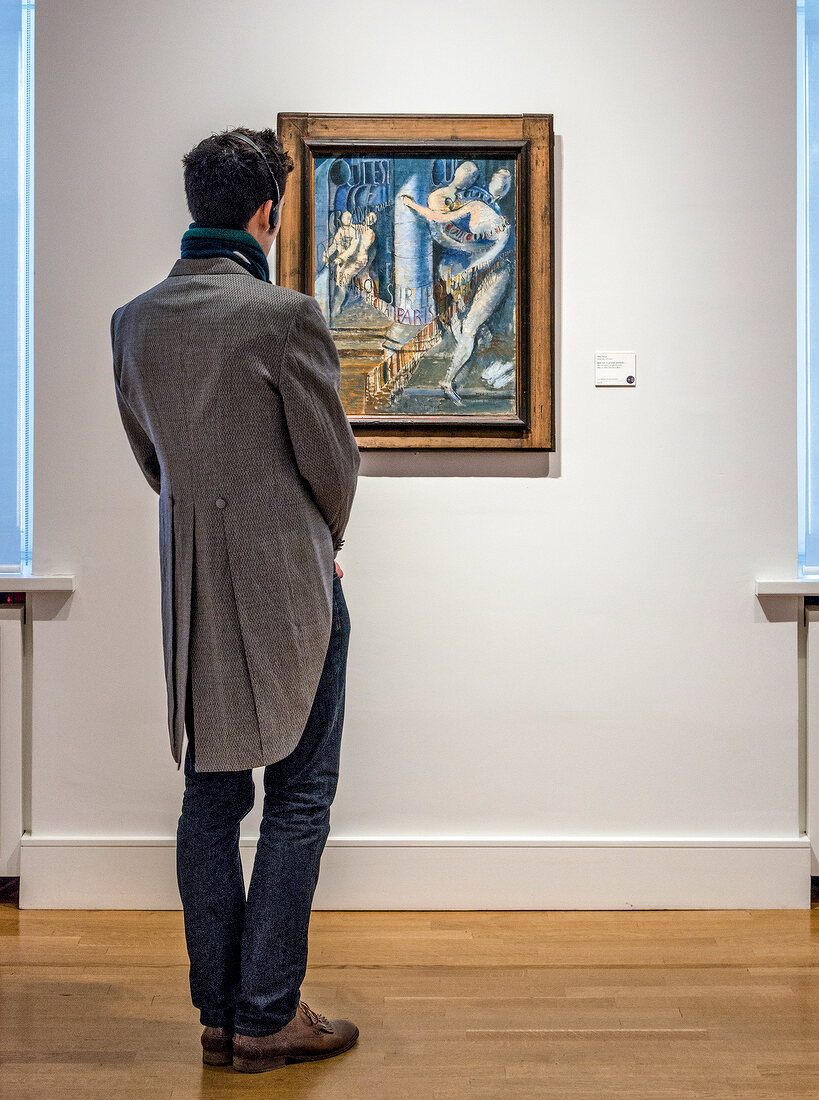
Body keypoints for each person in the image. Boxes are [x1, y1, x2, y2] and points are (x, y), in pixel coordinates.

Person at [110, 126, 361, 1074]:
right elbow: (331, 466)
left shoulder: (133, 322)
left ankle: (221, 1015)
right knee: (300, 797)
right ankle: (268, 1015)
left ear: (194, 205)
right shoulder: (283, 315)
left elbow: (152, 460)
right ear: (268, 212)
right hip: (292, 586)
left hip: (194, 589)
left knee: (209, 800)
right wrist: (318, 540)